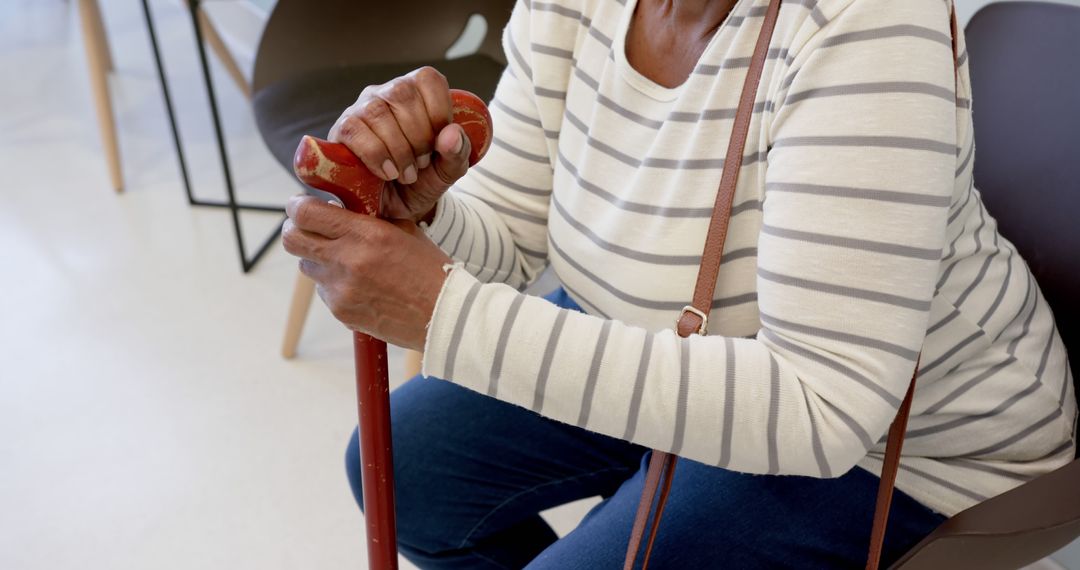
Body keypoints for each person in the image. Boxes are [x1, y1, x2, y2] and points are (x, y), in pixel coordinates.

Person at [281, 0, 1077, 567]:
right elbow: (515, 229)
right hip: (687, 342)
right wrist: (429, 212)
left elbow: (820, 408)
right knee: (406, 473)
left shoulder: (866, 24)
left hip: (911, 440)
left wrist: (442, 310)